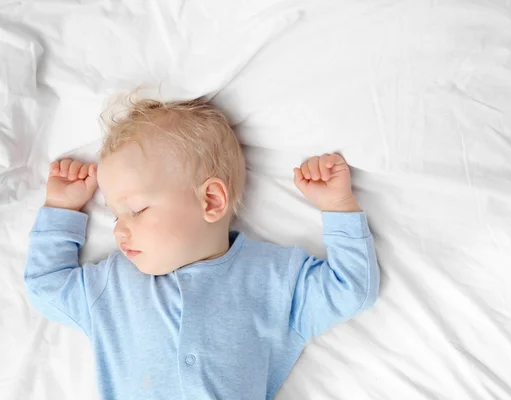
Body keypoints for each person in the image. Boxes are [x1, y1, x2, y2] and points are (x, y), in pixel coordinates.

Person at [24, 96, 380, 400]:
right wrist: (61, 211)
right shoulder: (112, 286)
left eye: (135, 210)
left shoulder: (273, 278)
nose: (120, 231)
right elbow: (46, 286)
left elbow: (351, 290)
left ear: (211, 200)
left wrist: (338, 207)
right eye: (115, 216)